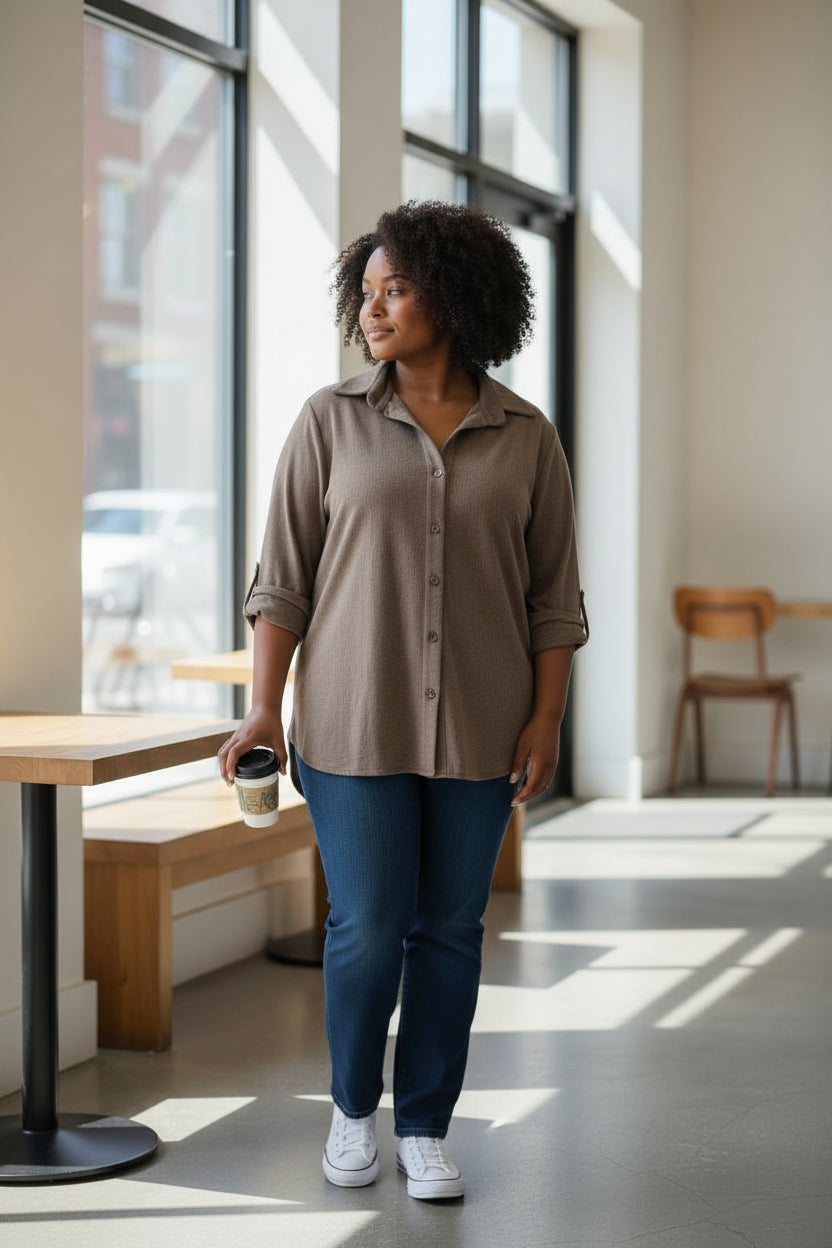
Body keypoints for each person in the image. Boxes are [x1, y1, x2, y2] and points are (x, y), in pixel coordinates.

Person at [218, 200, 588, 1200]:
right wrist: (262, 706)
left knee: (450, 933)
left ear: (455, 298)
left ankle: (424, 1126)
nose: (372, 310)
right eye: (366, 292)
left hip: (482, 725)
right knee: (368, 926)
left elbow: (554, 600)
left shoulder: (527, 437)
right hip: (352, 720)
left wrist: (546, 718)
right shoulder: (328, 421)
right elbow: (281, 581)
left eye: (396, 290)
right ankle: (351, 1113)